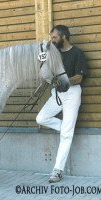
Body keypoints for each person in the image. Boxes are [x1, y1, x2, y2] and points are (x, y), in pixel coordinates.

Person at [36, 25, 87, 183]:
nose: (52, 40)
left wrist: (63, 81)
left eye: (55, 37)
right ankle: (67, 130)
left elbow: (79, 77)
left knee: (65, 134)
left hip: (72, 93)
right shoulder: (54, 54)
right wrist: (39, 88)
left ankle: (57, 170)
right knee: (41, 118)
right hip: (57, 93)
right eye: (51, 38)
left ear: (64, 36)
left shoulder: (77, 53)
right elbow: (49, 75)